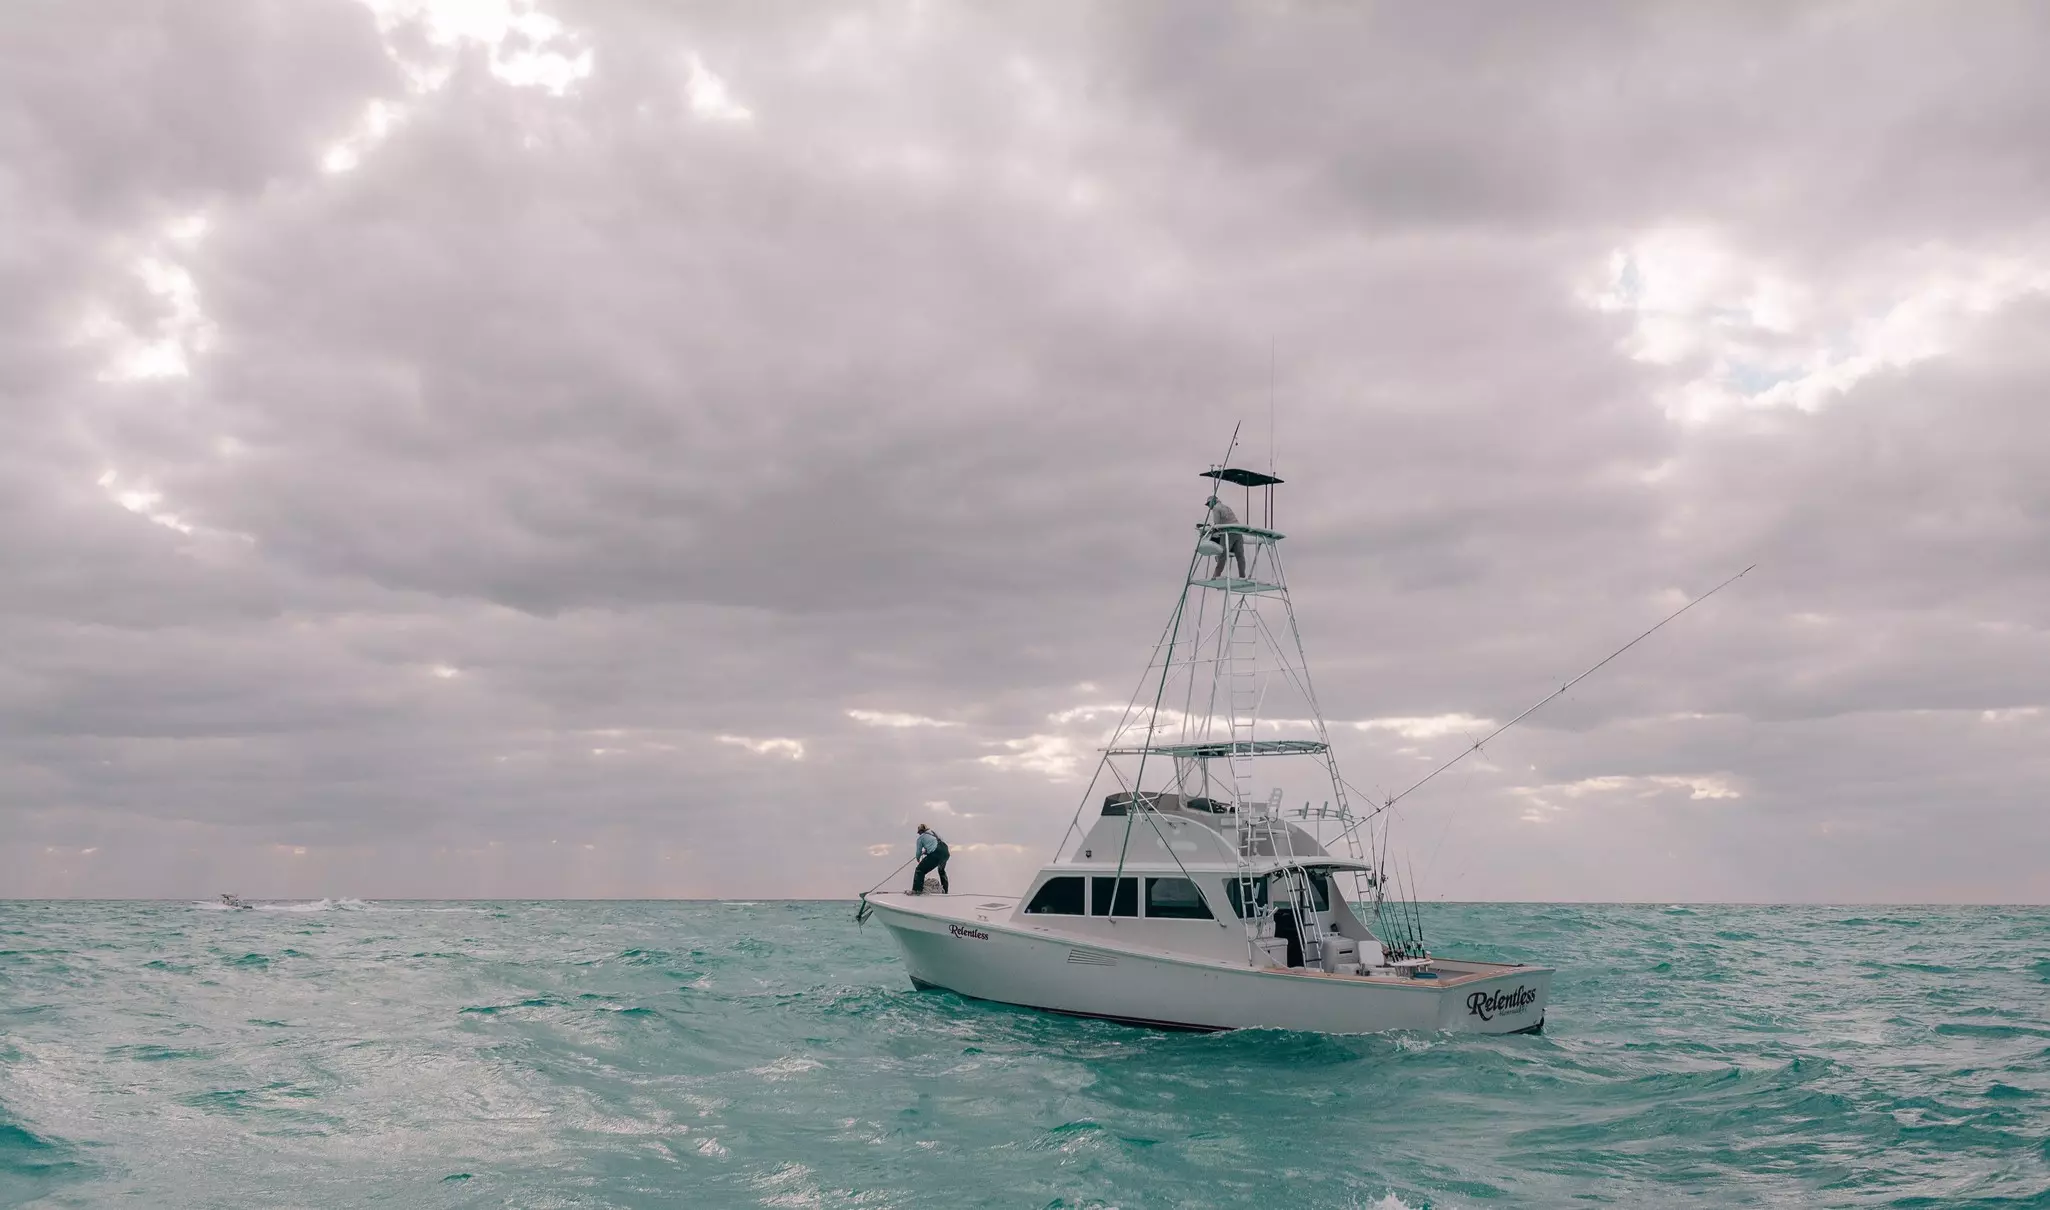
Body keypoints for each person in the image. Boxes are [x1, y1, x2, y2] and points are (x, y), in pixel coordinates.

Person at [1204, 494, 1247, 579]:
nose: (1209, 507)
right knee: (1240, 556)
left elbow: (1217, 523)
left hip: (1228, 532)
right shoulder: (1226, 507)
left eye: (1209, 504)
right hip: (1238, 532)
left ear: (1213, 501)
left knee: (1222, 555)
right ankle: (1242, 576)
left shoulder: (1216, 508)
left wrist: (1211, 530)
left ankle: (1216, 575)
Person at [911, 824, 950, 895]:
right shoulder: (934, 833)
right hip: (945, 852)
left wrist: (918, 858)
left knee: (920, 870)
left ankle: (917, 891)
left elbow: (918, 852)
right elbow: (935, 844)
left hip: (936, 853)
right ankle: (945, 891)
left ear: (920, 831)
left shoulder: (921, 838)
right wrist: (927, 851)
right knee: (941, 871)